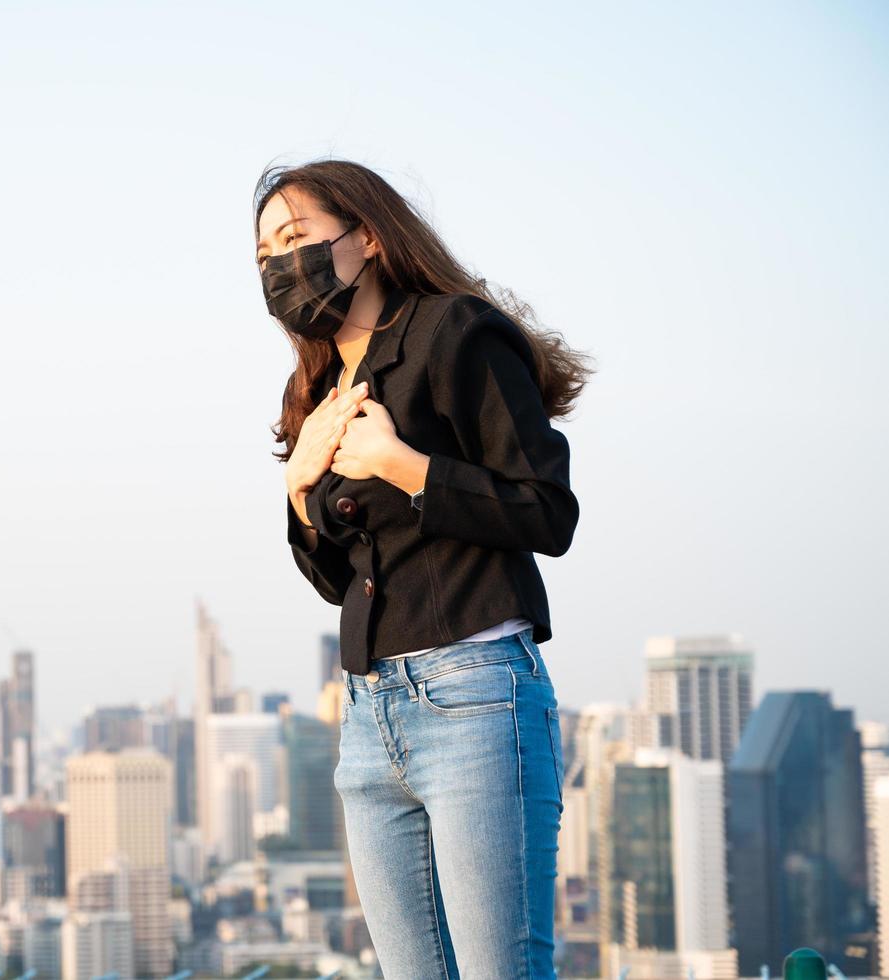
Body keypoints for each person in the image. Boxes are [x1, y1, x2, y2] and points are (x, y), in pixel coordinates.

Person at [255, 158, 592, 977]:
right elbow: (343, 581)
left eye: (294, 238)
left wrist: (406, 466)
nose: (278, 266)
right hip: (369, 718)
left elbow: (547, 511)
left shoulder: (454, 332)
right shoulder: (320, 389)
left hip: (474, 693)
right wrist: (301, 491)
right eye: (263, 254)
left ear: (366, 236)